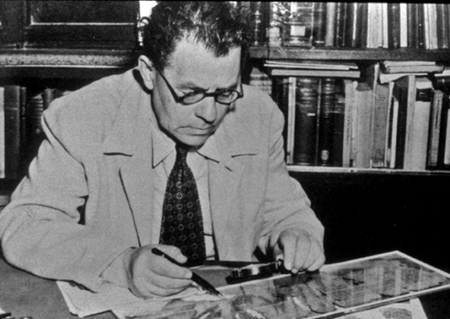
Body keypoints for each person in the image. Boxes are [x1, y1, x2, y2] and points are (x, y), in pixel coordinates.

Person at [0, 1, 324, 299]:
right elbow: (23, 227)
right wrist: (120, 263)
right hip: (125, 297)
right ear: (149, 72)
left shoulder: (258, 115)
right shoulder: (83, 116)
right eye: (190, 93)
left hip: (233, 299)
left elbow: (282, 210)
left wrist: (296, 235)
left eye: (225, 92)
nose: (209, 114)